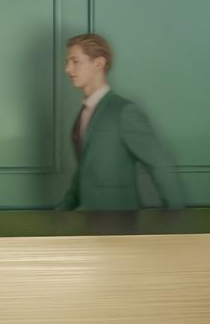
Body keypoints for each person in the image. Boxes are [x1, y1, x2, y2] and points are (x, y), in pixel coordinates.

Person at [57, 32, 185, 211]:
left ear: (98, 63)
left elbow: (159, 164)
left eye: (75, 61)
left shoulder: (124, 111)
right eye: (67, 62)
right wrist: (61, 212)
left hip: (120, 223)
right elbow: (86, 170)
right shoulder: (84, 113)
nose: (68, 69)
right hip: (89, 221)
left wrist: (178, 218)